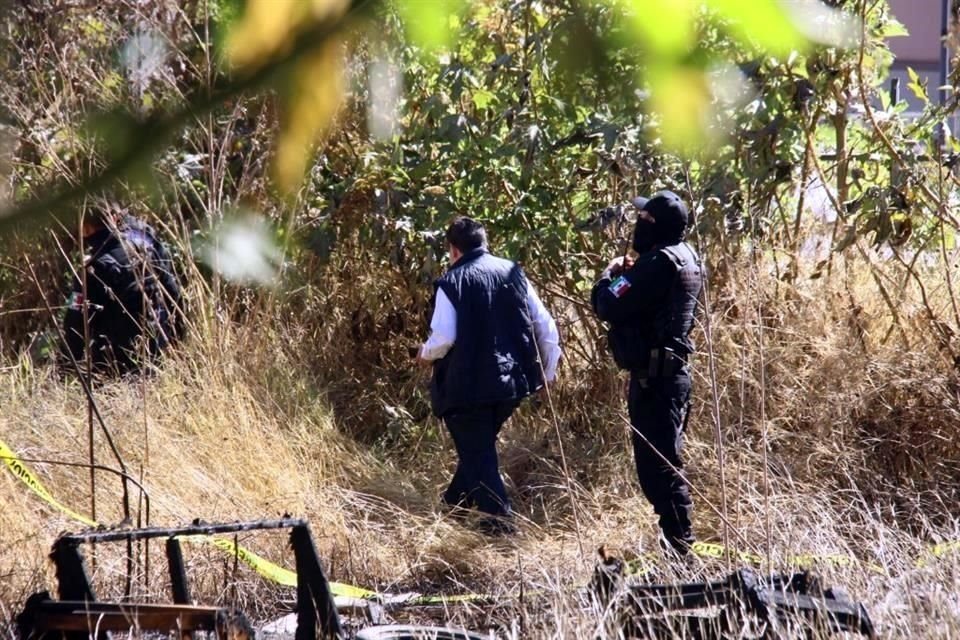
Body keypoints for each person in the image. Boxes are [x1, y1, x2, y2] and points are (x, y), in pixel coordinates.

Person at [417, 216, 561, 534]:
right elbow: (546, 326)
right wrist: (547, 373)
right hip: (510, 386)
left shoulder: (452, 282)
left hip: (467, 389)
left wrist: (424, 354)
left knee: (479, 455)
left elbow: (443, 337)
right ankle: (451, 513)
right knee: (477, 450)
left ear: (453, 250)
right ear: (485, 242)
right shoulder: (513, 273)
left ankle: (501, 529)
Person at [590, 191, 702, 555]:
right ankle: (676, 549)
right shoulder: (686, 257)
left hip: (656, 382)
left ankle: (681, 553)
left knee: (661, 471)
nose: (637, 224)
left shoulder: (658, 263)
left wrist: (607, 276)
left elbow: (608, 303)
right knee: (661, 467)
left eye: (644, 219)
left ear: (653, 224)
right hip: (668, 377)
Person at [61, 206, 182, 376]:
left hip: (117, 367)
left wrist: (65, 369)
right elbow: (172, 291)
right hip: (158, 352)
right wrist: (178, 341)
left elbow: (75, 324)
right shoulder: (145, 239)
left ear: (86, 228)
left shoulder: (93, 268)